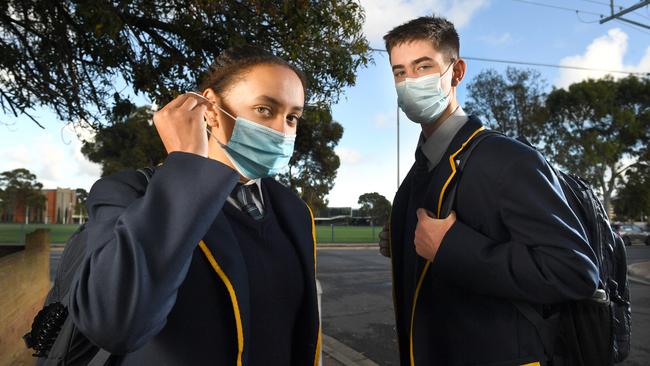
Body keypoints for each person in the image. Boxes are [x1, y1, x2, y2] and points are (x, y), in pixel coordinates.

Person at [68, 45, 321, 365]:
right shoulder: (128, 193)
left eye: (292, 117)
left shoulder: (295, 211)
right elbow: (116, 326)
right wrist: (185, 166)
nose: (281, 131)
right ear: (211, 110)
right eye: (264, 110)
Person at [377, 15, 599, 366]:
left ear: (457, 71)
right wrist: (403, 239)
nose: (409, 81)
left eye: (423, 66)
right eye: (399, 72)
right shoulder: (419, 169)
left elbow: (574, 271)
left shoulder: (508, 159)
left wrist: (451, 248)